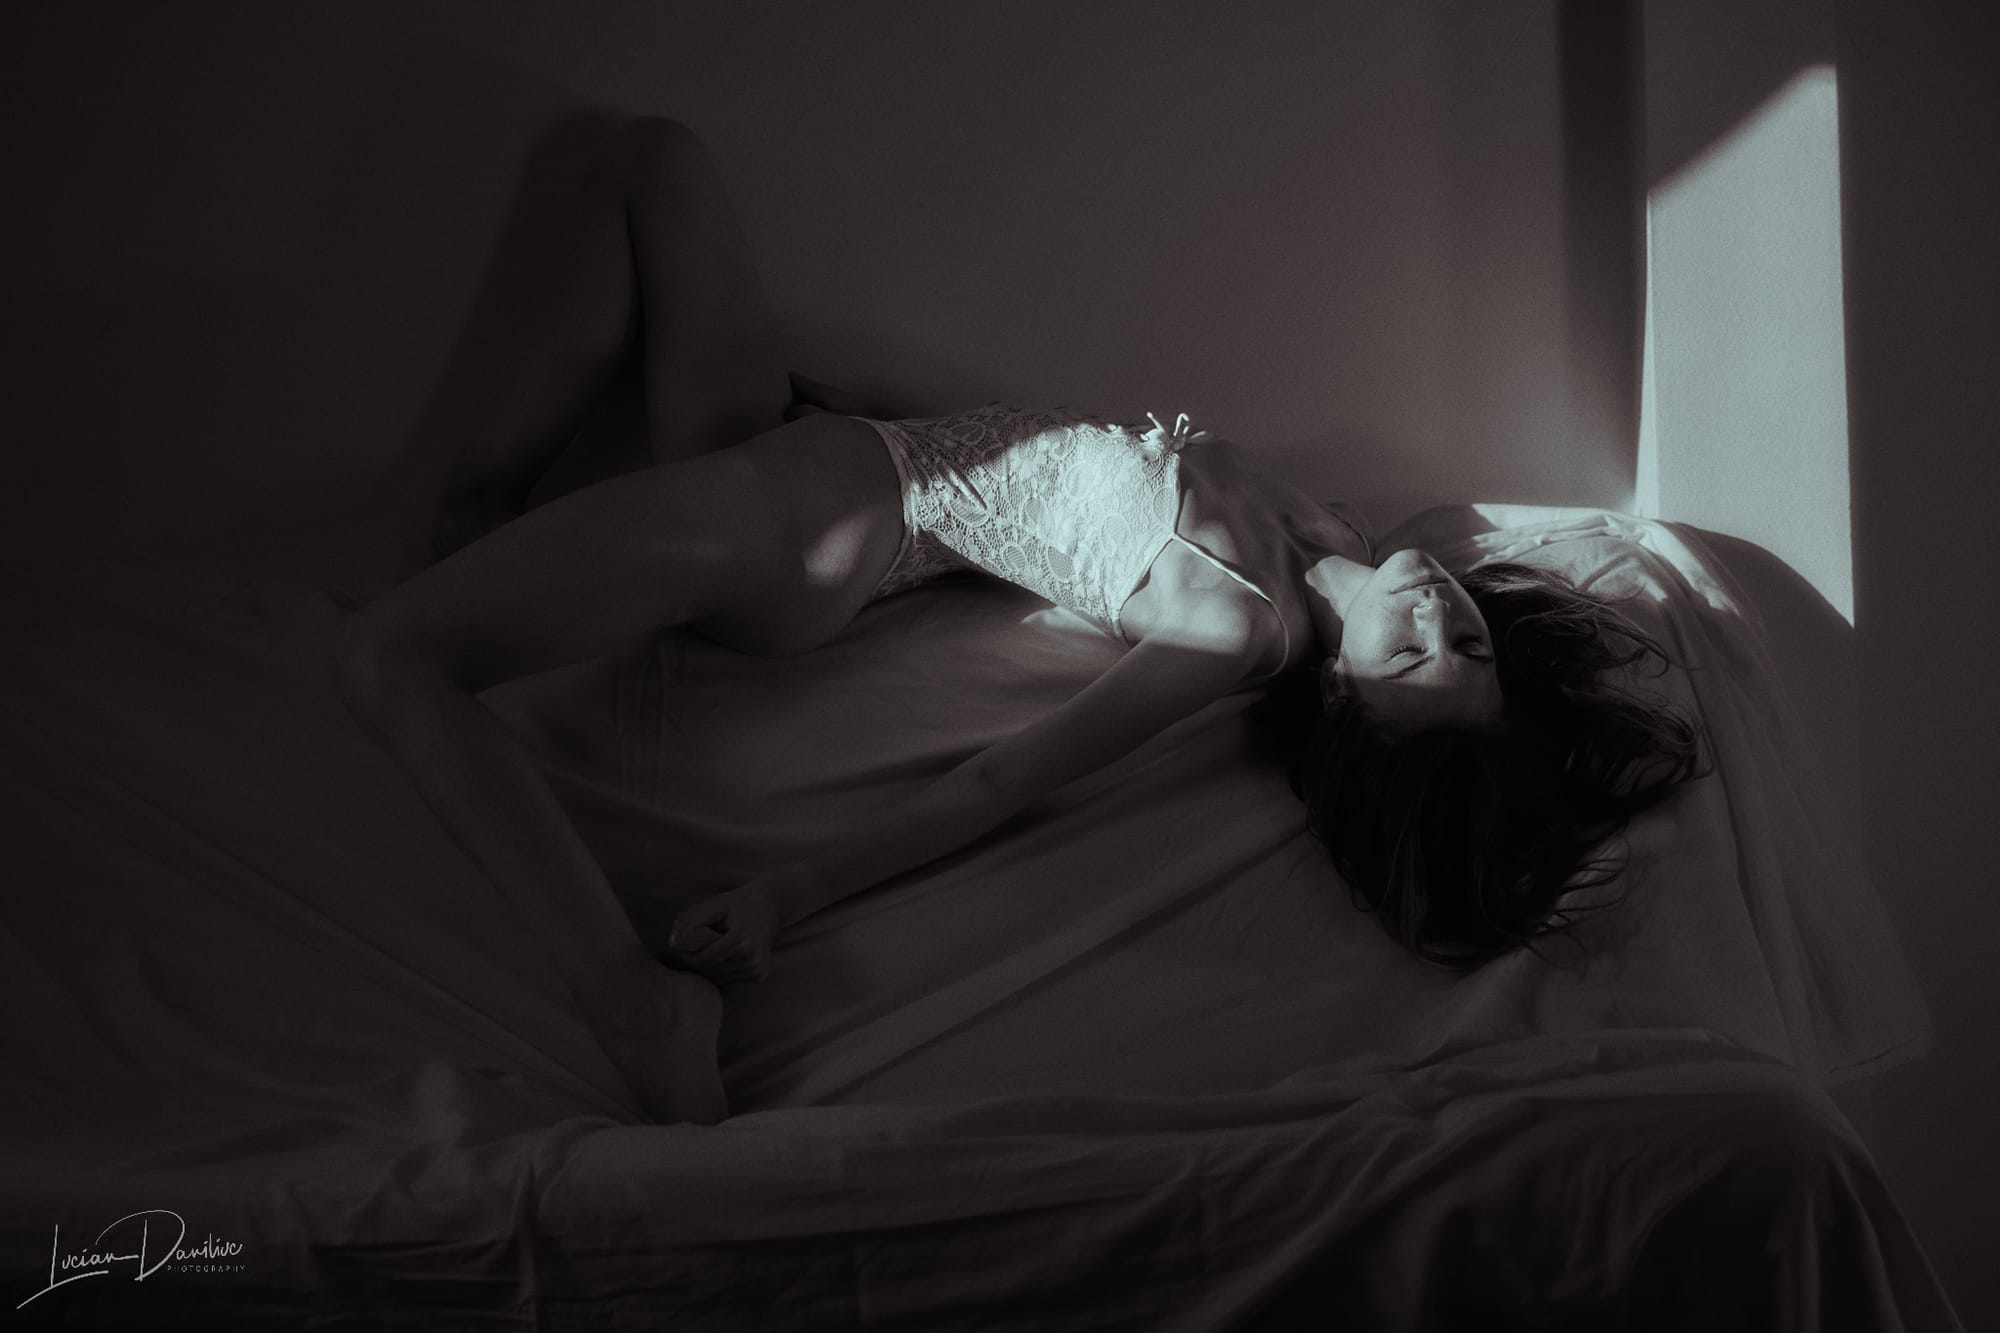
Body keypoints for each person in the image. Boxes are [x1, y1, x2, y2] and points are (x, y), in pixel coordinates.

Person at [334, 115, 1704, 993]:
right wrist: (871, 406)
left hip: (800, 536)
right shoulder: (1342, 529)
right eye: (1468, 638)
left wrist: (787, 894)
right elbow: (1033, 445)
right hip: (816, 444)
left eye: (1413, 657)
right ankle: (477, 509)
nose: (1436, 612)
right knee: (646, 160)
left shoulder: (1235, 625)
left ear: (1345, 697)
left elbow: (1007, 779)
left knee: (390, 656)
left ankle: (626, 1001)